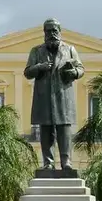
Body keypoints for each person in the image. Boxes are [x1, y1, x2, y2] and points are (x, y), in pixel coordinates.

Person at [23, 18, 85, 172]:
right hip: (43, 97)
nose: (52, 34)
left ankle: (66, 162)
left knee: (64, 130)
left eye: (54, 30)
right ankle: (48, 163)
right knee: (46, 130)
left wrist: (73, 72)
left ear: (59, 32)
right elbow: (27, 73)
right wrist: (40, 67)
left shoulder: (70, 49)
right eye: (48, 31)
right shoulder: (36, 51)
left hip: (63, 96)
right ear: (44, 33)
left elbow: (81, 69)